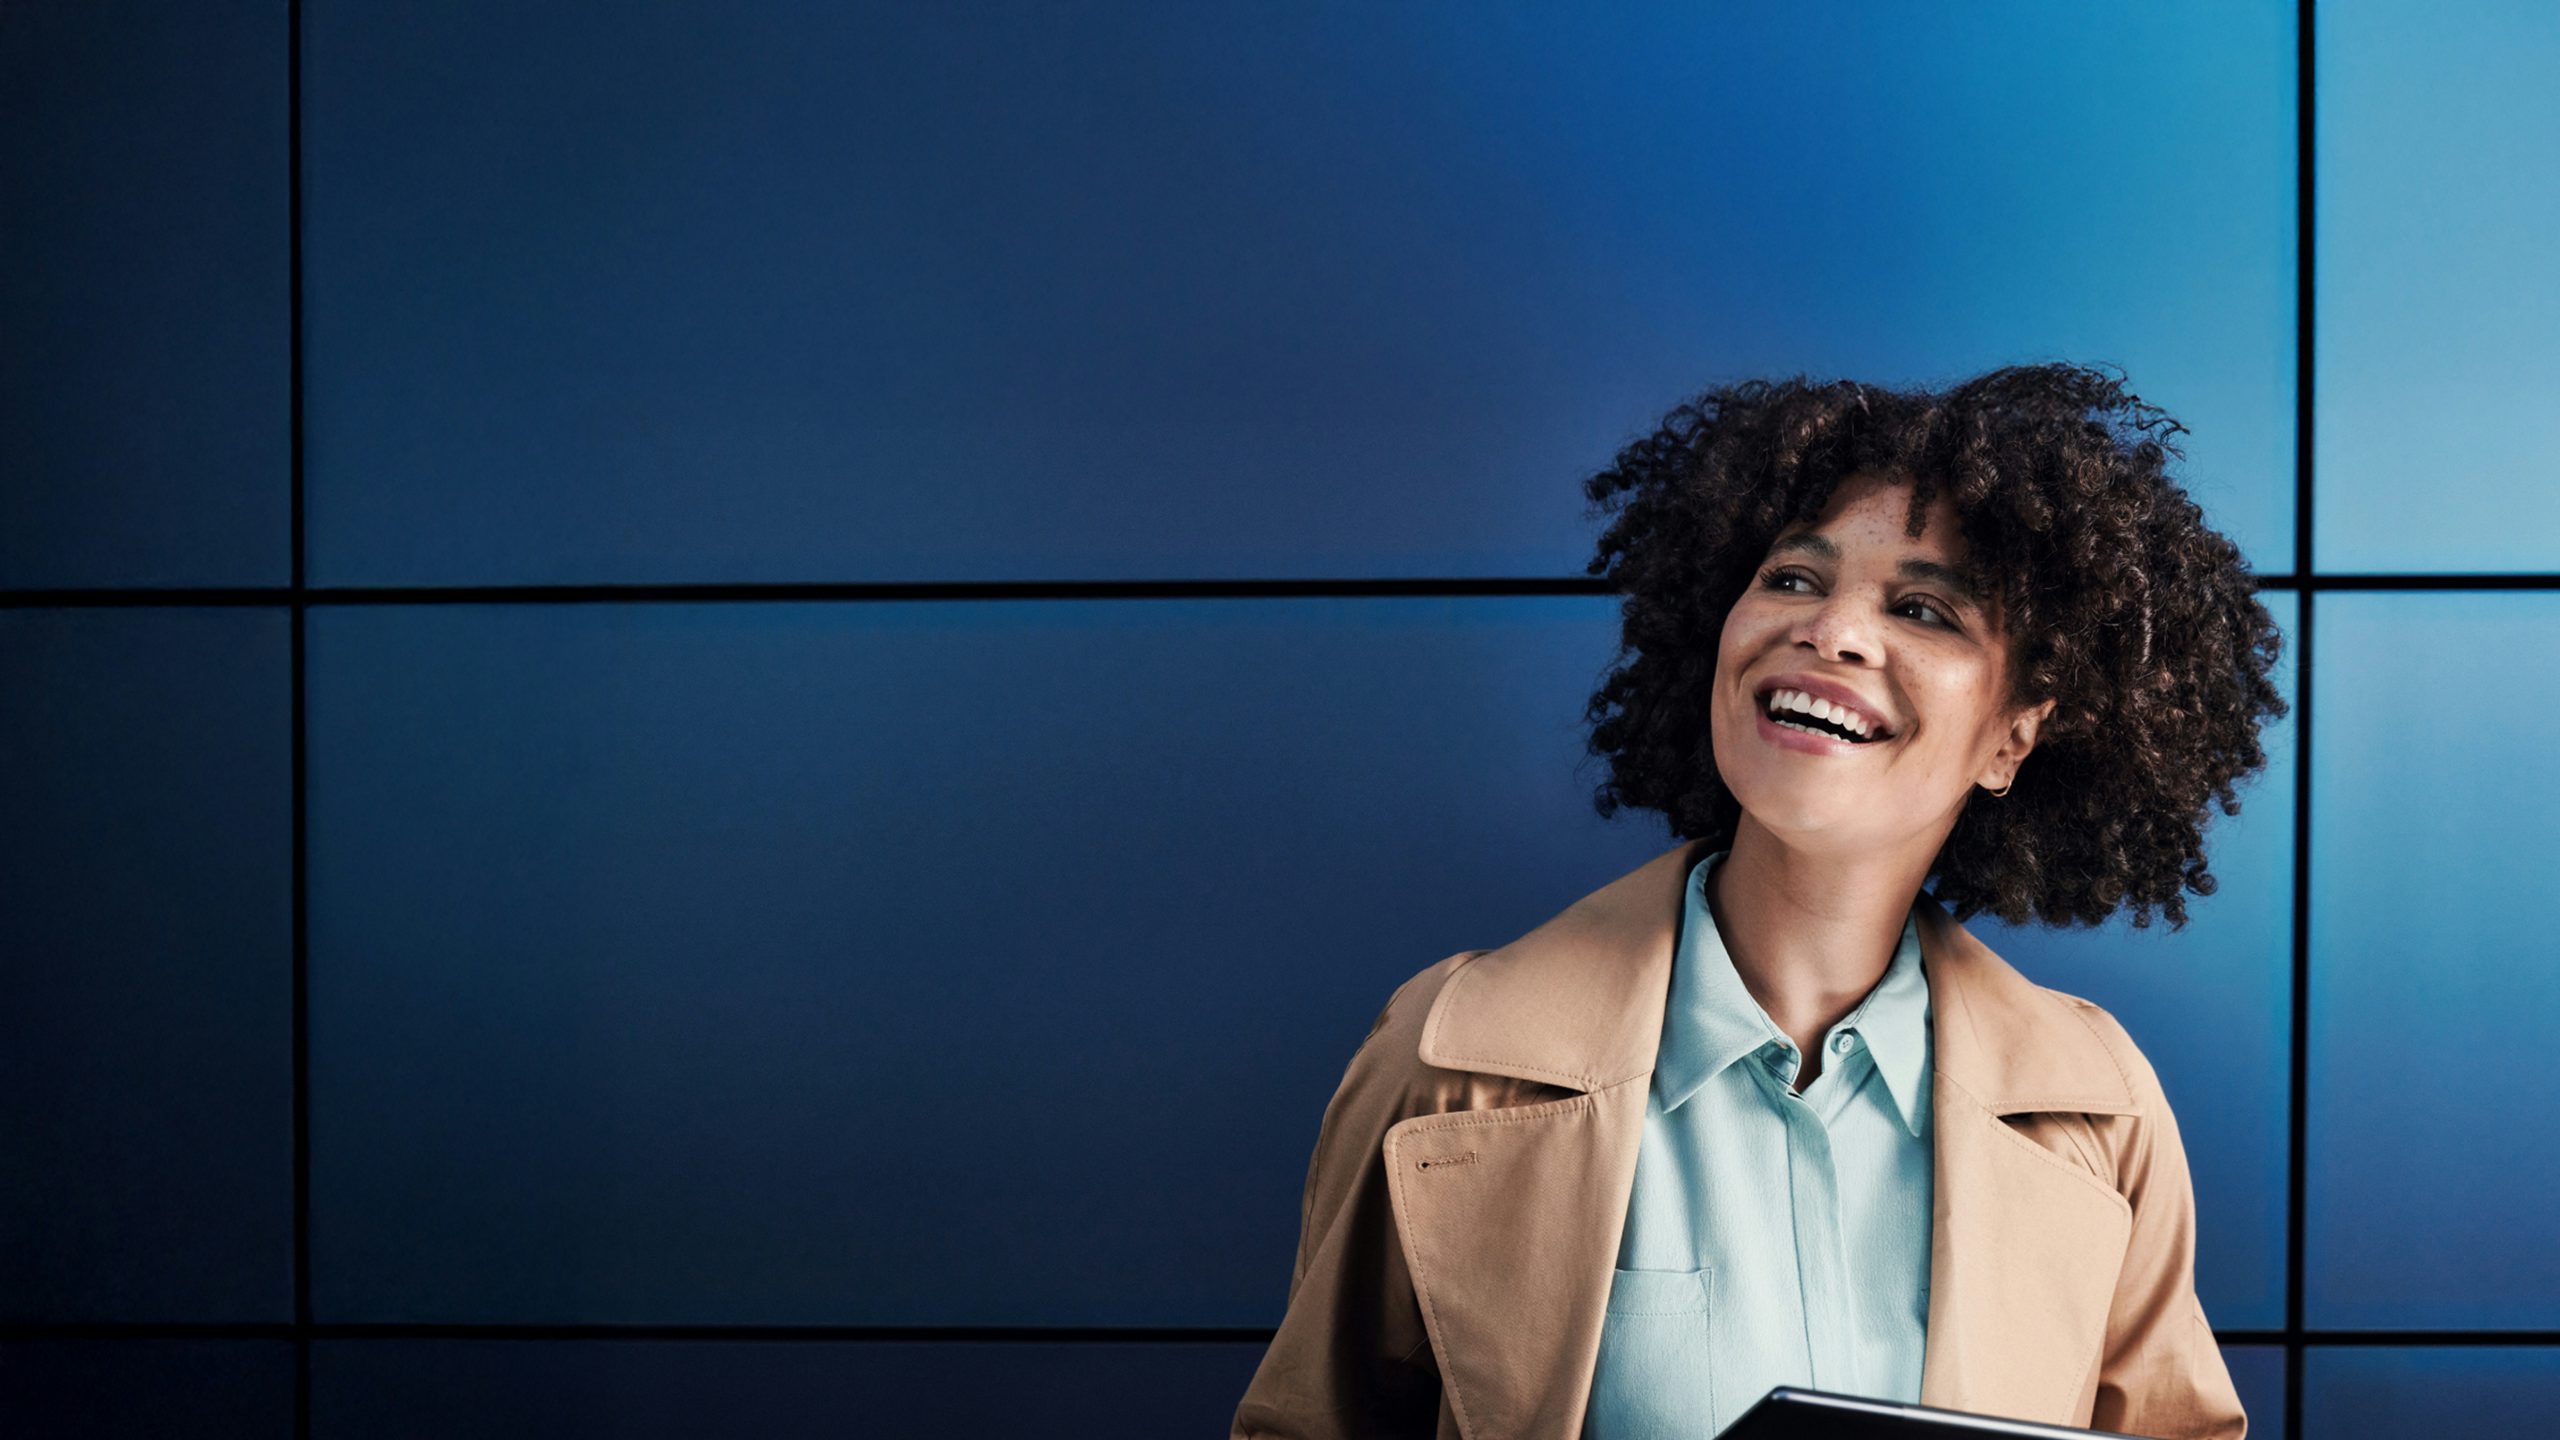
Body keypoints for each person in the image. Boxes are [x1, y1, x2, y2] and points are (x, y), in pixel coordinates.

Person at [1231, 364, 2286, 1440]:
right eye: (1791, 579)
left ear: (2013, 736)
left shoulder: (2101, 1114)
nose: (1832, 630)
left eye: (1923, 609)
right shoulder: (1446, 1063)